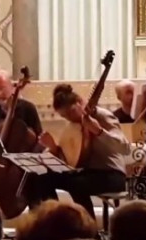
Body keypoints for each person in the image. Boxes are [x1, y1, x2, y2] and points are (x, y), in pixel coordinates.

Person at [29, 84, 130, 216]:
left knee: (76, 183)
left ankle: (88, 227)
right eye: (65, 116)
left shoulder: (102, 116)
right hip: (86, 173)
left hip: (111, 174)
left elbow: (125, 148)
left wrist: (99, 131)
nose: (70, 118)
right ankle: (53, 220)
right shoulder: (73, 127)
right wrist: (53, 147)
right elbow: (69, 162)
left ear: (80, 102)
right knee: (41, 177)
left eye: (71, 112)